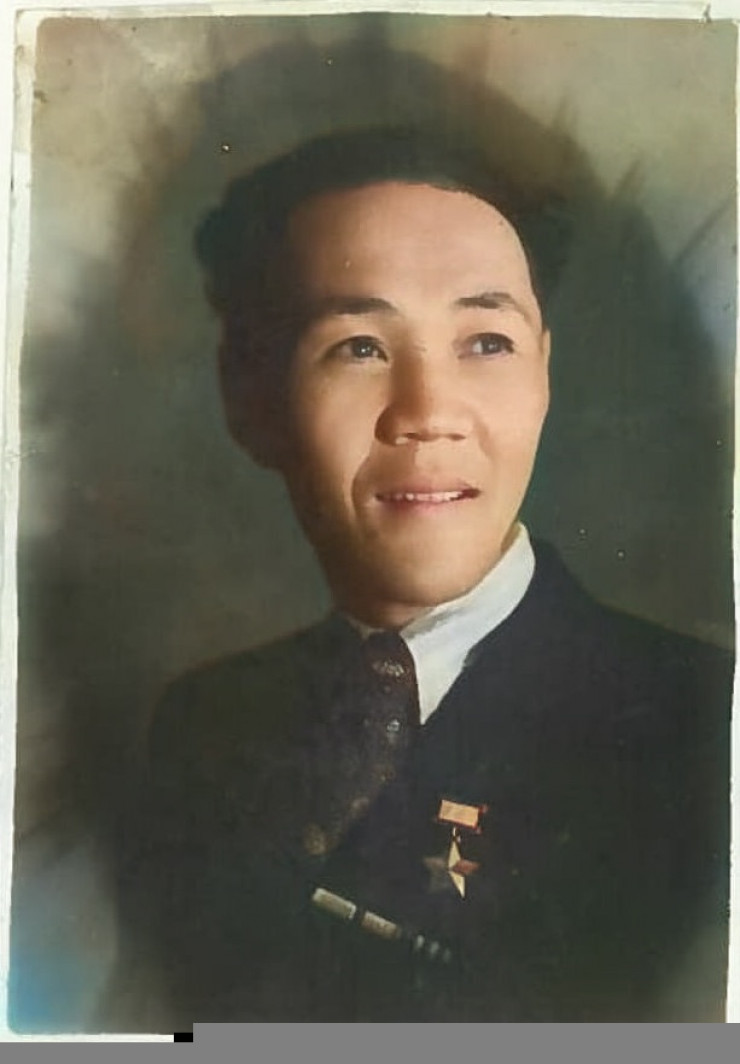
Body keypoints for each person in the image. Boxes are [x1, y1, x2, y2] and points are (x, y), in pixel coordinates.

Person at [119, 127, 731, 1026]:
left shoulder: (703, 728)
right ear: (250, 398)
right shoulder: (204, 727)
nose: (429, 413)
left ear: (545, 374)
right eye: (360, 347)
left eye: (485, 341)